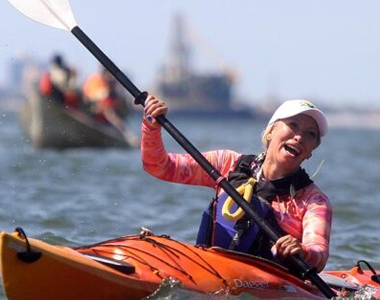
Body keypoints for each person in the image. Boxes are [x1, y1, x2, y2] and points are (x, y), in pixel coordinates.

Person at [141, 95, 331, 272]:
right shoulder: (227, 164)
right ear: (271, 130)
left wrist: (302, 251)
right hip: (209, 269)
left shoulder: (313, 201)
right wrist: (151, 127)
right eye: (293, 125)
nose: (299, 137)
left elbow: (319, 255)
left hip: (269, 284)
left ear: (311, 151)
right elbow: (160, 167)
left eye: (310, 134)